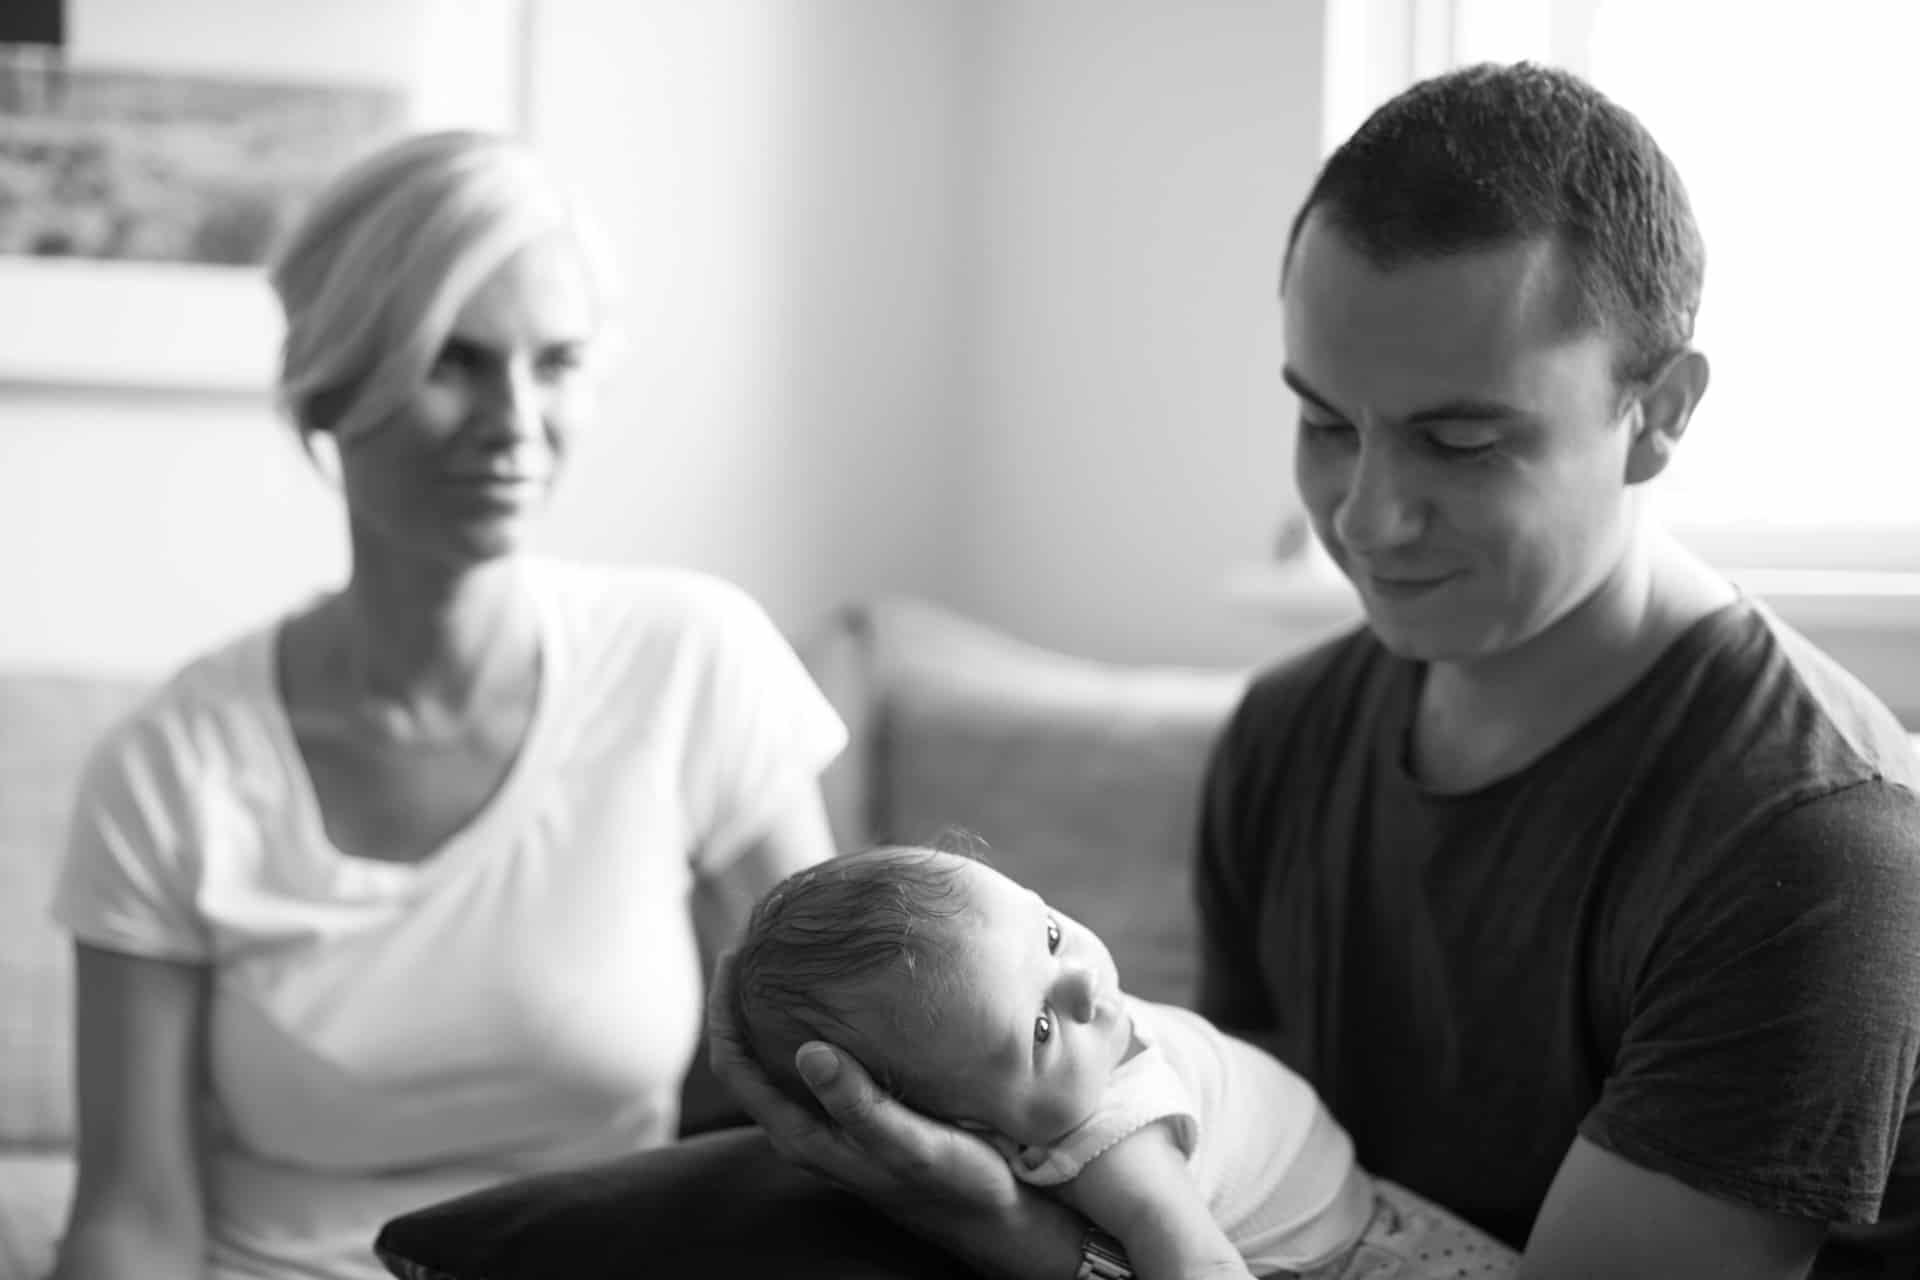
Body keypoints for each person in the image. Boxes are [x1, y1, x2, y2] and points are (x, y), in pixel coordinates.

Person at [708, 62, 1920, 1279]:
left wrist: (1032, 1248)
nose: (1365, 516)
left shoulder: (1812, 848)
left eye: (1461, 440)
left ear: (1657, 414)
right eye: (1327, 424)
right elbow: (1243, 1184)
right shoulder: (1291, 730)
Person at [47, 129, 846, 1280]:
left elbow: (847, 1084)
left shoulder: (690, 662)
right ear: (331, 390)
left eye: (555, 362)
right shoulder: (171, 767)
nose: (515, 417)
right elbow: (133, 1214)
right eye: (454, 362)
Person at [735, 845, 1518, 1280]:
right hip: (1351, 1260)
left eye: (1047, 935)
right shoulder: (1112, 1139)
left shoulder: (1071, 1058)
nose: (1081, 981)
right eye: (1041, 1028)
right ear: (973, 1129)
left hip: (1369, 1220)